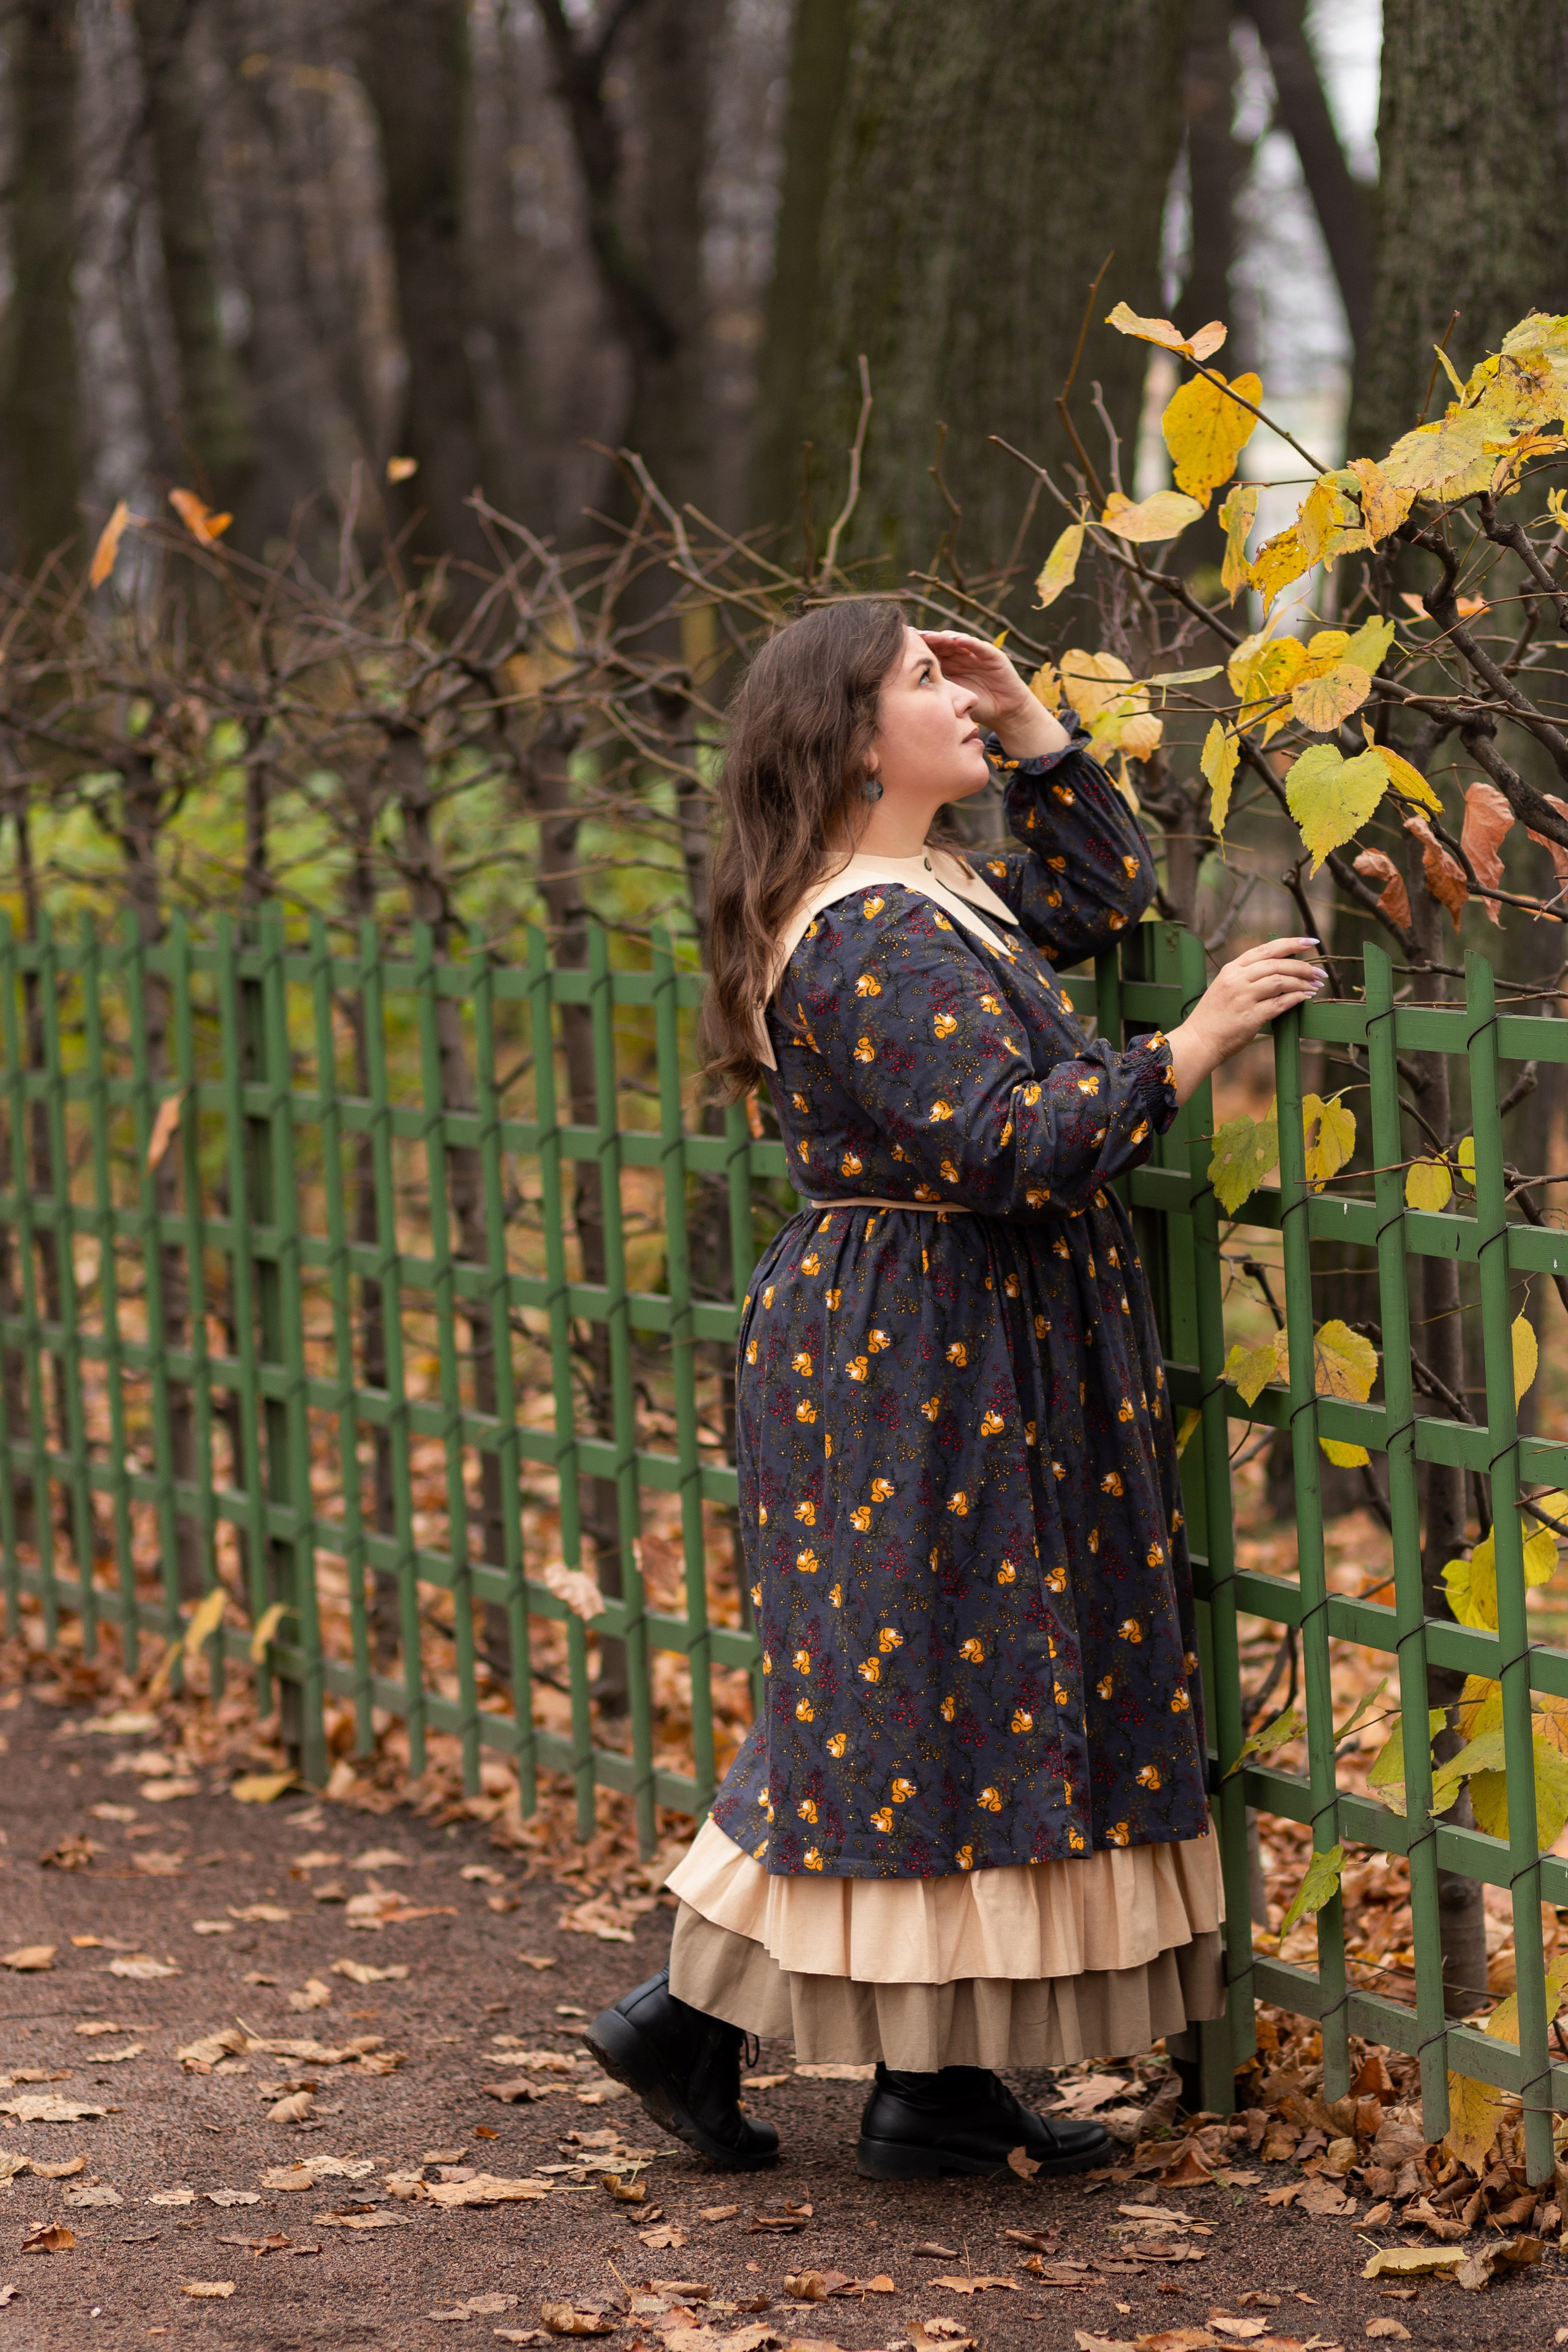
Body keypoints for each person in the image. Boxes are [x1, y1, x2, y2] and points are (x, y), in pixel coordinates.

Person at [584, 600, 1323, 2180]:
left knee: (946, 1679)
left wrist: (1038, 734)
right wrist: (1186, 1049)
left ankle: (929, 2082)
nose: (959, 696)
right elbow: (1002, 1142)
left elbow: (1103, 898)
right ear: (850, 740)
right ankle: (691, 2018)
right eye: (925, 682)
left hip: (965, 1327)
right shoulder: (861, 931)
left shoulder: (931, 886)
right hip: (910, 1342)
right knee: (909, 1681)